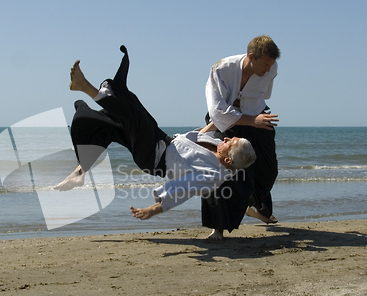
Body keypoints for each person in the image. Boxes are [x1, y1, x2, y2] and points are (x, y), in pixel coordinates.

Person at [55, 46, 256, 240]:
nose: (227, 138)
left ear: (228, 160)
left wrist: (154, 209)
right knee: (112, 124)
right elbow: (199, 135)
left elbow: (183, 189)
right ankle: (80, 172)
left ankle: (84, 86)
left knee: (134, 116)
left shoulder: (212, 175)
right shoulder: (218, 148)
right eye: (231, 138)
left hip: (153, 157)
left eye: (230, 143)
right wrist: (219, 120)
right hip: (163, 141)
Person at [202, 35, 280, 239]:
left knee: (269, 170)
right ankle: (216, 228)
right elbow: (217, 111)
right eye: (265, 64)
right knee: (218, 169)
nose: (268, 69)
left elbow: (266, 95)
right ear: (251, 57)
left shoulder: (271, 70)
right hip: (227, 122)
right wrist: (249, 119)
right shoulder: (221, 69)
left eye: (271, 65)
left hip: (257, 116)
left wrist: (255, 118)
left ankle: (252, 204)